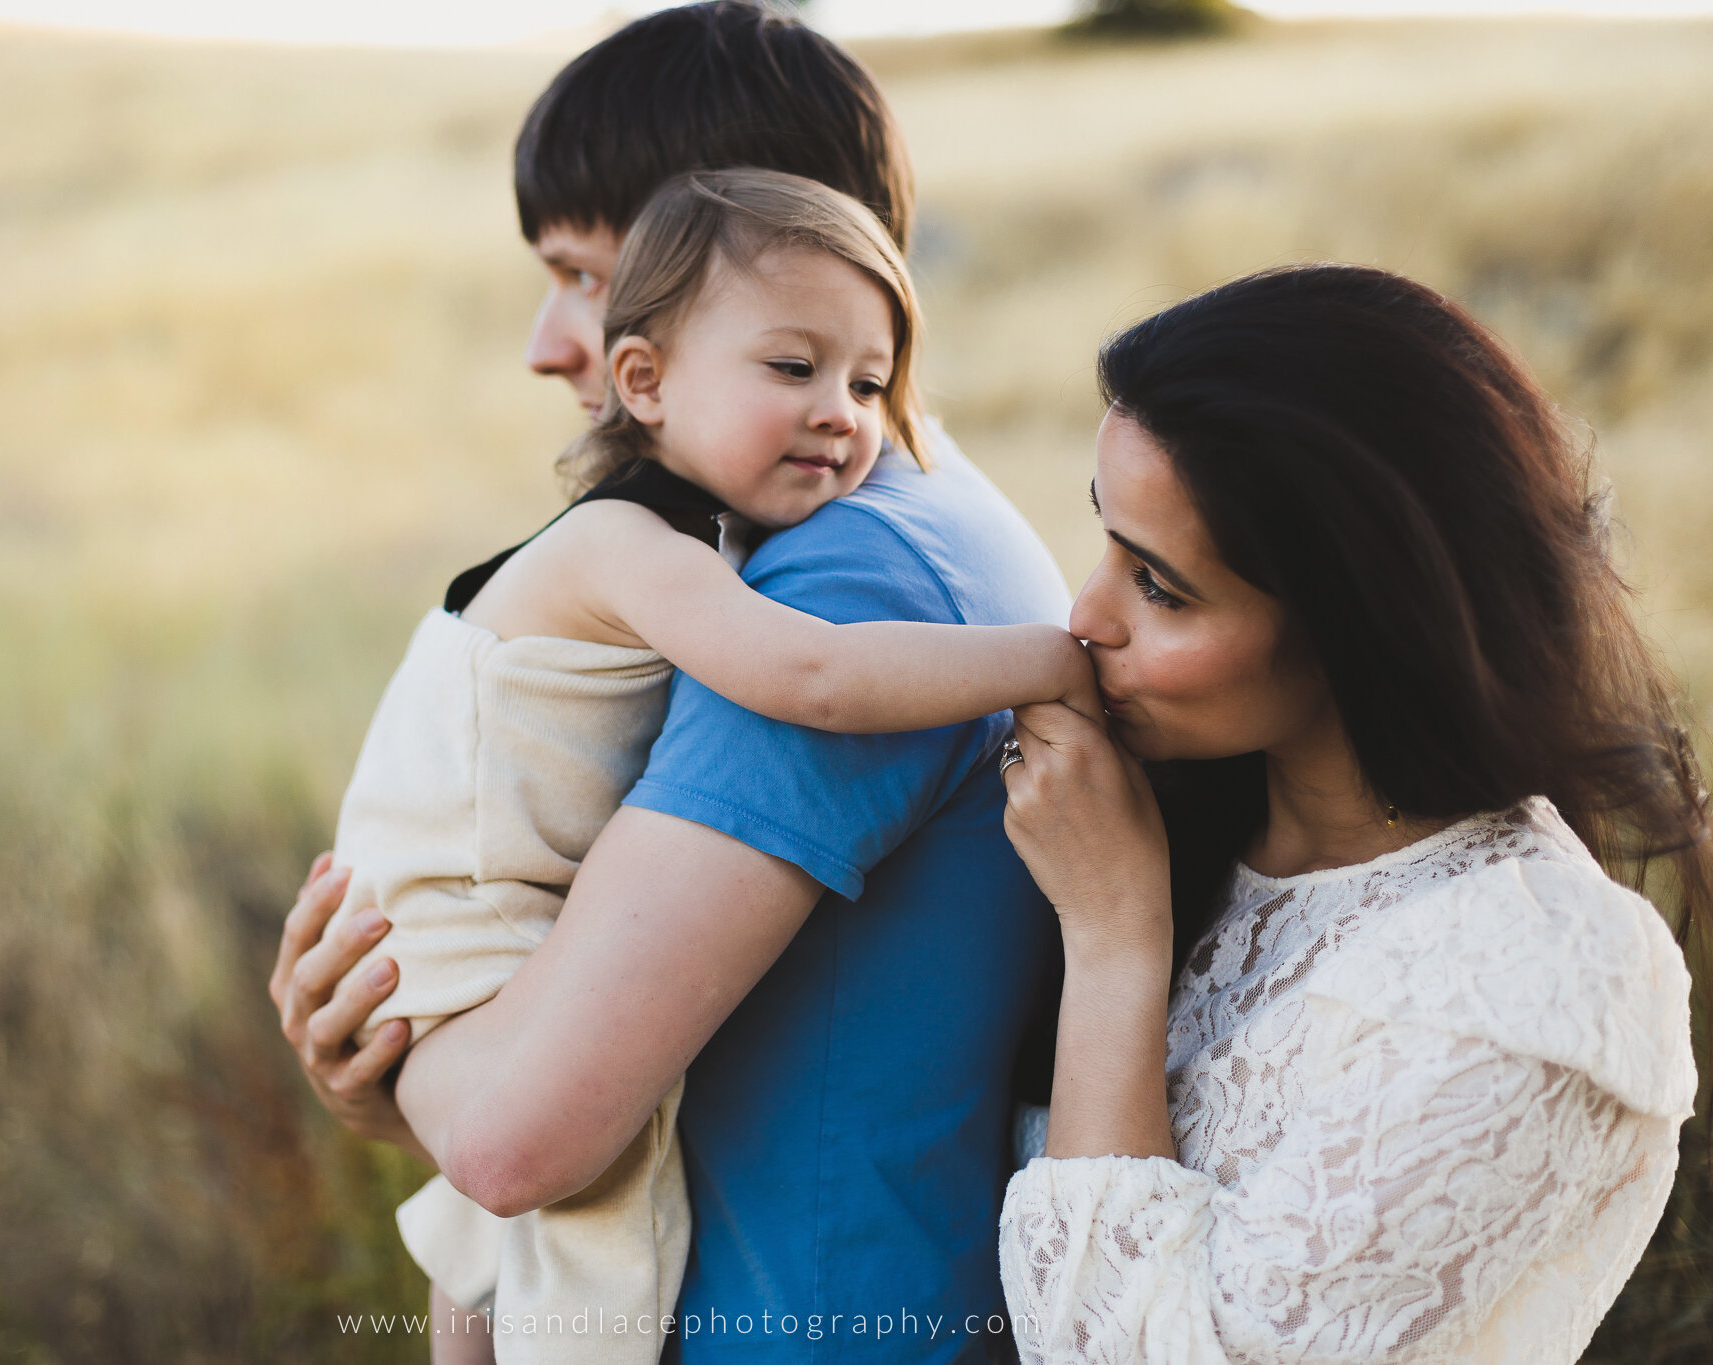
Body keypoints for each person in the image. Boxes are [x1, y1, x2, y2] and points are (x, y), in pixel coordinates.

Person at [271, 4, 1072, 1362]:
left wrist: (405, 1081)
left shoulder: (848, 580)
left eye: (587, 275)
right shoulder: (898, 525)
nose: (550, 341)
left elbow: (522, 1136)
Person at [991, 263, 1703, 1363]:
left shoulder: (1534, 976)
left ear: (1359, 618)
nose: (1082, 617)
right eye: (1105, 542)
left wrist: (1112, 938)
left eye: (1159, 587)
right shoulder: (1164, 814)